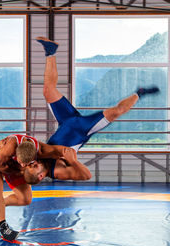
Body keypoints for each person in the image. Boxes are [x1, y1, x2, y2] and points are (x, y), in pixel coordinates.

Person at [23, 36, 160, 184]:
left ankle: (50, 52)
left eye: (31, 164)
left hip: (66, 121)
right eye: (35, 166)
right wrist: (74, 162)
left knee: (48, 91)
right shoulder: (58, 171)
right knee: (118, 111)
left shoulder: (34, 161)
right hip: (83, 129)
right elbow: (86, 175)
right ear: (41, 176)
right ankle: (139, 93)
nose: (34, 163)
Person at [0, 133, 68, 241]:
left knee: (25, 199)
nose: (23, 165)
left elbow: (64, 151)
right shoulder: (9, 148)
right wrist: (20, 171)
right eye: (21, 162)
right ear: (16, 153)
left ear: (34, 157)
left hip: (14, 167)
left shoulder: (41, 150)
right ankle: (3, 227)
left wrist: (69, 160)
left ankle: (1, 203)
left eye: (26, 164)